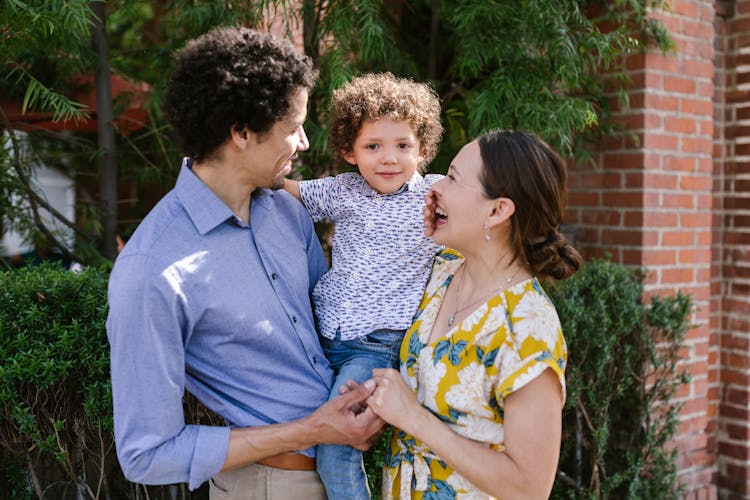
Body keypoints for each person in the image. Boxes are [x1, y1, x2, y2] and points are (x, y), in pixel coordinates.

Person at [106, 26, 384, 499]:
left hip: (355, 472)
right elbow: (145, 455)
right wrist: (313, 430)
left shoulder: (288, 211)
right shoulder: (153, 270)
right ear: (241, 132)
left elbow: (336, 326)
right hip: (270, 486)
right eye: (292, 127)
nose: (303, 143)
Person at [366, 129, 583, 499]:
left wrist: (412, 417)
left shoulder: (528, 326)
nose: (434, 189)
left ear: (498, 210)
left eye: (452, 178)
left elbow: (530, 488)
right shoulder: (443, 271)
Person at [282, 72, 444, 499]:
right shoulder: (344, 190)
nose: (388, 158)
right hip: (323, 338)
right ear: (349, 152)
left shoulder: (434, 195)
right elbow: (287, 190)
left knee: (334, 450)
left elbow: (487, 211)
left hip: (373, 349)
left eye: (403, 146)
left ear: (422, 149)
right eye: (373, 146)